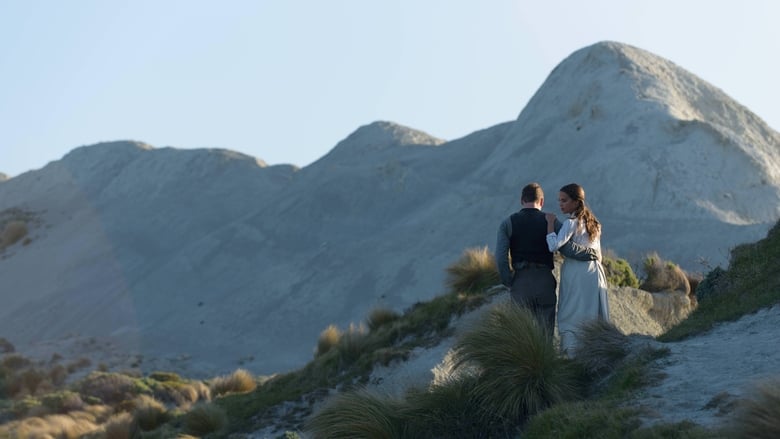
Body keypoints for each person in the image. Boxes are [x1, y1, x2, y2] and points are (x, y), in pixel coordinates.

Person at [495, 182, 599, 334]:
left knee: (520, 336)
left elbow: (500, 257)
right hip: (544, 282)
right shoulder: (551, 221)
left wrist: (508, 281)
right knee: (545, 334)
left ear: (522, 200)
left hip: (521, 282)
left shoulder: (507, 223)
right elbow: (567, 249)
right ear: (542, 202)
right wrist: (591, 253)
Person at [545, 183, 610, 354]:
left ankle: (572, 351)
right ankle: (594, 349)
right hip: (595, 272)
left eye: (564, 200)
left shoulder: (570, 223)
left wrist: (550, 224)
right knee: (591, 311)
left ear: (576, 201)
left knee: (572, 310)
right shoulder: (594, 223)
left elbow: (553, 246)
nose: (561, 204)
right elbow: (599, 255)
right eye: (559, 201)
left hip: (576, 272)